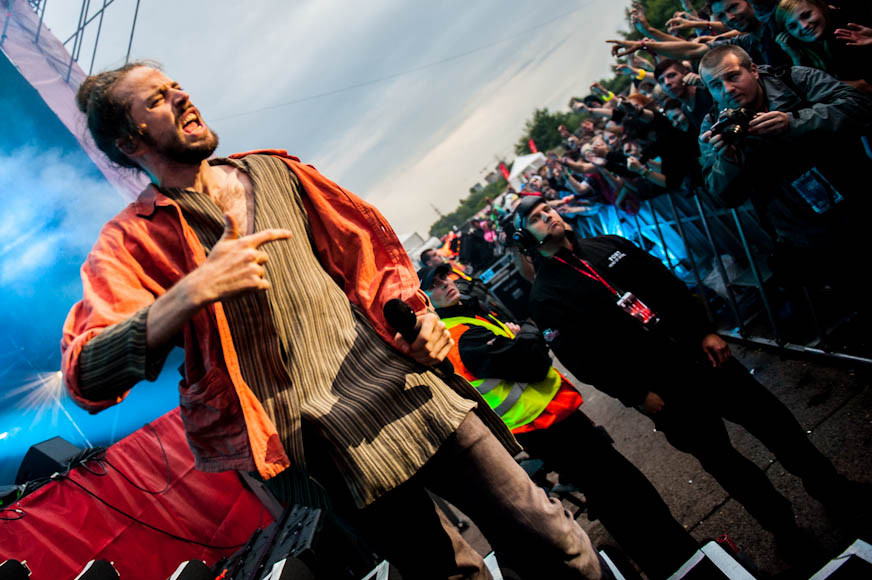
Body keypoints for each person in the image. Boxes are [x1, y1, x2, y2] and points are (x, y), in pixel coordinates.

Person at [61, 62, 608, 580]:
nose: (181, 95)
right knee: (450, 573)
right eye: (157, 98)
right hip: (321, 444)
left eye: (176, 85)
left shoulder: (275, 172)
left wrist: (417, 318)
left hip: (407, 387)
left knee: (545, 534)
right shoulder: (130, 242)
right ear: (129, 142)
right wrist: (188, 294)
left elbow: (370, 258)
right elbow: (86, 373)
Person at [511, 195, 870, 569]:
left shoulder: (607, 245)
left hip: (702, 356)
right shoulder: (546, 295)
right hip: (665, 392)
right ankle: (784, 528)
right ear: (525, 237)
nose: (548, 216)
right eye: (536, 218)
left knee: (775, 422)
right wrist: (637, 395)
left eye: (548, 209)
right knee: (725, 462)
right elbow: (585, 360)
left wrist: (705, 330)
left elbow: (666, 284)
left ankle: (834, 489)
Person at [421, 263, 699, 579]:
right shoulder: (459, 334)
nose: (446, 283)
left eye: (446, 276)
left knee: (622, 495)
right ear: (425, 299)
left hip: (555, 420)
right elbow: (532, 362)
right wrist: (527, 329)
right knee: (625, 500)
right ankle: (676, 564)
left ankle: (674, 560)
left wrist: (522, 335)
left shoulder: (466, 317)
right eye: (436, 283)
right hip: (546, 429)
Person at [698, 44, 872, 289]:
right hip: (802, 232)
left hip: (857, 195)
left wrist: (794, 122)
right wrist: (729, 161)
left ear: (754, 71)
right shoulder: (712, 127)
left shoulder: (793, 78)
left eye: (733, 76)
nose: (728, 89)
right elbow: (721, 195)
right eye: (716, 85)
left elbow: (859, 105)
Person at [774, 0, 872, 93]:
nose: (803, 26)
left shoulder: (848, 32)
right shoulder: (799, 48)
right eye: (793, 26)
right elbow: (804, 89)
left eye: (806, 15)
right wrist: (795, 57)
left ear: (821, 7)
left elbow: (865, 86)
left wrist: (820, 85)